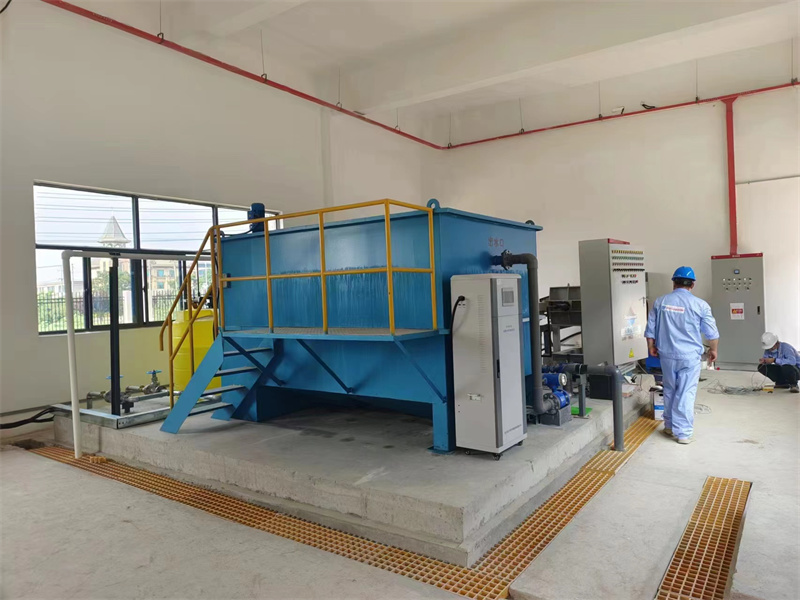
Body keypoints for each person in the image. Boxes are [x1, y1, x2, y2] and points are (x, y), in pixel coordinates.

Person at [644, 266, 719, 445]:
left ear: (674, 283)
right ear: (692, 285)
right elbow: (712, 333)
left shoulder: (660, 302)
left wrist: (651, 346)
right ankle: (683, 433)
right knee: (686, 392)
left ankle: (669, 426)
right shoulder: (700, 305)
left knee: (669, 389)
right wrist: (713, 350)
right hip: (689, 357)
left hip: (667, 355)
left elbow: (650, 328)